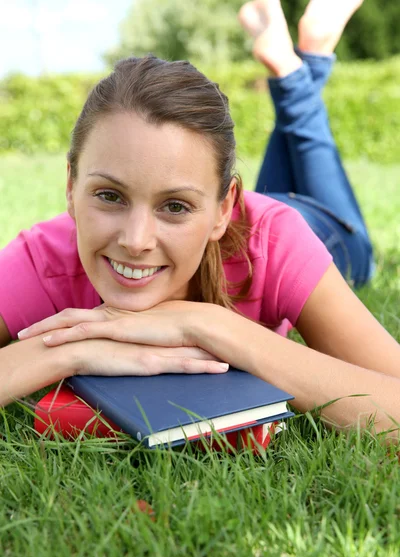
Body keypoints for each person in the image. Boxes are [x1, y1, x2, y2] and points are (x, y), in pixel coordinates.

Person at [0, 0, 399, 440]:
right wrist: (63, 352)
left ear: (224, 209)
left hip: (326, 229)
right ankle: (301, 61)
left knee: (311, 149)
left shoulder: (276, 241)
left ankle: (305, 63)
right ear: (71, 187)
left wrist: (208, 324)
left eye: (174, 206)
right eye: (110, 196)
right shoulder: (45, 260)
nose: (136, 240)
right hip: (235, 203)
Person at [239, 0, 374, 288]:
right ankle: (306, 62)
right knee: (294, 131)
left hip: (286, 243)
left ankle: (298, 66)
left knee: (360, 256)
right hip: (253, 214)